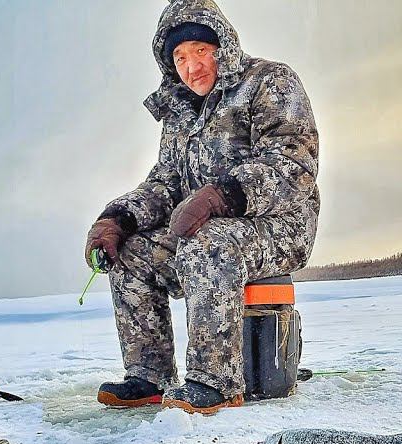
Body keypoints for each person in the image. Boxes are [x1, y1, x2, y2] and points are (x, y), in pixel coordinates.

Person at [85, 0, 319, 415]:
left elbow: (293, 162)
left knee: (207, 243)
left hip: (279, 226)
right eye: (179, 57)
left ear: (222, 47)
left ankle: (216, 381)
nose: (191, 67)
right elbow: (165, 183)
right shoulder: (179, 114)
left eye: (199, 51)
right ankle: (149, 376)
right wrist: (117, 218)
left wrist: (221, 195)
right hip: (205, 227)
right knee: (134, 255)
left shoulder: (269, 81)